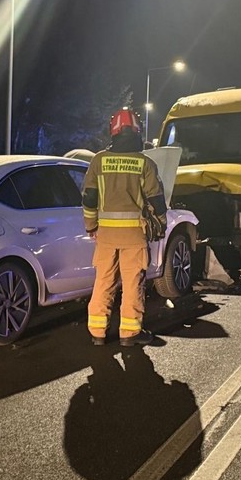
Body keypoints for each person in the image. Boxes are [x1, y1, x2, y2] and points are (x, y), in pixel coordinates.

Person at [81, 107, 168, 347]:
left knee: (103, 281)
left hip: (106, 236)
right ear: (137, 131)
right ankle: (129, 334)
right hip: (134, 235)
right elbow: (157, 201)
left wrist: (91, 225)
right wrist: (161, 225)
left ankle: (97, 332)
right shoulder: (145, 164)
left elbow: (89, 198)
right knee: (132, 283)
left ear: (113, 131)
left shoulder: (98, 161)